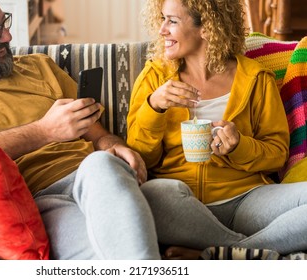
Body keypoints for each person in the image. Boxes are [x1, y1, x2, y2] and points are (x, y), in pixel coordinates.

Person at [0, 0, 174, 260]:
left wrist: (114, 146)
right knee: (105, 253)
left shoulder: (40, 66)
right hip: (43, 202)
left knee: (107, 167)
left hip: (98, 178)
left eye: (4, 22)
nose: (7, 36)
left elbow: (98, 135)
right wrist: (44, 131)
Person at [127, 0, 307, 259]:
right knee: (151, 195)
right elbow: (141, 159)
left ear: (207, 28)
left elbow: (277, 154)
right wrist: (153, 107)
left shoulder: (256, 78)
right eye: (162, 19)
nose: (162, 30)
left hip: (246, 200)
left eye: (172, 21)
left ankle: (222, 253)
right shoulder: (155, 78)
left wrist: (239, 146)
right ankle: (250, 250)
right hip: (179, 201)